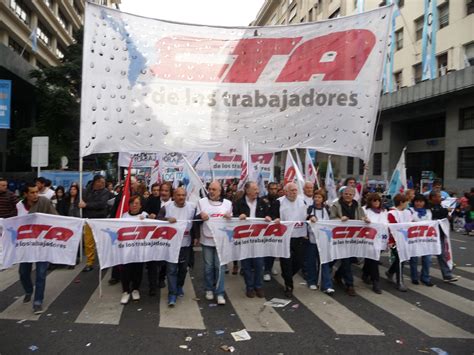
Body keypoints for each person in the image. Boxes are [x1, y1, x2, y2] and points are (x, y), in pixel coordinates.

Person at [16, 182, 58, 314]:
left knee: (41, 274)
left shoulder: (44, 202)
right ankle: (29, 290)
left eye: (37, 192)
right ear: (25, 194)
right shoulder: (19, 206)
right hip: (26, 245)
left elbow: (55, 217)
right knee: (23, 272)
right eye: (32, 193)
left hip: (41, 244)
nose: (35, 195)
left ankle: (38, 301)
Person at [233, 181, 277, 298]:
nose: (257, 191)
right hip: (245, 239)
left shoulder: (263, 203)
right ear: (247, 190)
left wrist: (269, 218)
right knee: (246, 265)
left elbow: (271, 215)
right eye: (254, 189)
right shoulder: (239, 203)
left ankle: (259, 286)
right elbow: (232, 218)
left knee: (259, 264)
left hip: (258, 239)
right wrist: (238, 217)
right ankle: (249, 287)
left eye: (257, 189)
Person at [197, 181, 232, 305]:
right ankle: (209, 289)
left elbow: (232, 222)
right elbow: (195, 219)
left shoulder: (228, 204)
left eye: (214, 189)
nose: (211, 191)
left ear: (220, 191)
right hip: (206, 239)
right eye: (209, 189)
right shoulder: (201, 202)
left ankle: (220, 292)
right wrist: (200, 216)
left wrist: (230, 217)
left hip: (221, 241)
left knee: (220, 267)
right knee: (208, 267)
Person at [330, 186, 370, 296]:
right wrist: (339, 220)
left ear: (353, 195)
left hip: (353, 237)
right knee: (345, 260)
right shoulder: (336, 205)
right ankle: (350, 285)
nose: (348, 196)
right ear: (342, 194)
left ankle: (338, 275)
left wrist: (365, 219)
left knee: (352, 259)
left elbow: (362, 217)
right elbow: (331, 219)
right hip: (341, 237)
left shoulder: (357, 206)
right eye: (346, 193)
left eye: (350, 194)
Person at [164, 187, 197, 307]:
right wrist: (166, 219)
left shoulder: (192, 207)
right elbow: (158, 219)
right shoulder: (167, 207)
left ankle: (179, 286)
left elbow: (198, 221)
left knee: (183, 269)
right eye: (178, 195)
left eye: (183, 195)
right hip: (171, 245)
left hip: (186, 244)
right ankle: (172, 293)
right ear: (174, 195)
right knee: (171, 270)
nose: (181, 197)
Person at [279, 182, 307, 298]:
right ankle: (289, 286)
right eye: (291, 190)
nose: (294, 192)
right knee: (286, 262)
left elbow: (308, 214)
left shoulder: (302, 201)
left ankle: (287, 275)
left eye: (295, 190)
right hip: (285, 237)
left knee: (299, 261)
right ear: (286, 191)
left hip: (299, 236)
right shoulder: (279, 202)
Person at [120, 195, 148, 304]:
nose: (134, 205)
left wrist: (146, 219)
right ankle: (126, 291)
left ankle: (136, 289)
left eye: (137, 203)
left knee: (137, 269)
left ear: (140, 205)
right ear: (129, 205)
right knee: (126, 270)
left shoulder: (144, 215)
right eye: (132, 203)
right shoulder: (124, 216)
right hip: (126, 249)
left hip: (139, 248)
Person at [80, 175, 111, 272]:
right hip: (89, 219)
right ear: (96, 182)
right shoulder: (86, 191)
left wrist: (87, 205)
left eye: (103, 182)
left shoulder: (105, 192)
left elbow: (101, 204)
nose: (103, 184)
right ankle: (90, 262)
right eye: (101, 182)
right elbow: (82, 201)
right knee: (88, 242)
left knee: (102, 241)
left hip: (100, 220)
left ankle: (104, 261)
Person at [429, 191, 459, 282]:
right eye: (438, 196)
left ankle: (447, 275)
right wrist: (446, 211)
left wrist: (448, 216)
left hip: (440, 233)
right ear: (433, 198)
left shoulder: (440, 205)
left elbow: (442, 215)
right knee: (423, 256)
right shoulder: (428, 206)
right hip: (429, 235)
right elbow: (435, 214)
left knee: (442, 254)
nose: (440, 198)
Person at [385, 194, 413, 292]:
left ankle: (390, 272)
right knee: (400, 259)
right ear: (401, 202)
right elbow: (392, 228)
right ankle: (399, 282)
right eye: (406, 201)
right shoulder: (392, 213)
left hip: (405, 239)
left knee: (401, 259)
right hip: (395, 240)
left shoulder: (408, 212)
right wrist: (392, 241)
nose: (408, 203)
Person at [361, 193, 387, 294]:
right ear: (370, 201)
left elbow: (386, 224)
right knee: (374, 259)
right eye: (374, 200)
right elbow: (360, 221)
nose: (376, 202)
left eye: (378, 200)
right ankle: (375, 281)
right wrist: (364, 220)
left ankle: (365, 273)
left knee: (371, 258)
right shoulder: (364, 210)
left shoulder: (384, 211)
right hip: (368, 238)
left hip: (379, 238)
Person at [306, 189, 330, 291]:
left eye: (319, 197)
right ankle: (311, 281)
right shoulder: (310, 209)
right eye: (315, 197)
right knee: (311, 261)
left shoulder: (327, 209)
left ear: (323, 199)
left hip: (324, 239)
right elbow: (305, 220)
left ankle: (327, 284)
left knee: (324, 262)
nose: (317, 199)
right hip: (312, 239)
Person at [409, 194, 434, 286]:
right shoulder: (410, 211)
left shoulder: (428, 211)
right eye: (417, 201)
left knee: (427, 259)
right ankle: (414, 277)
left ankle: (425, 277)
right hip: (414, 238)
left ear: (424, 202)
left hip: (426, 239)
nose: (419, 203)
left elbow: (430, 223)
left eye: (421, 201)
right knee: (414, 259)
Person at [263, 182, 281, 281]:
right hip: (264, 228)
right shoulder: (263, 200)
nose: (273, 191)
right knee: (265, 250)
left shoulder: (279, 201)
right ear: (268, 189)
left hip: (275, 228)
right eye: (271, 189)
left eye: (275, 189)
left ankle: (269, 267)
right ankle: (266, 269)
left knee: (273, 249)